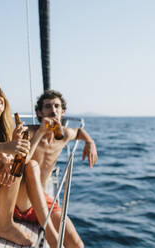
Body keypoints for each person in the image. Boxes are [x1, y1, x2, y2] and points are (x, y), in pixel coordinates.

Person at [14, 89, 98, 248]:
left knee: (77, 244)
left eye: (57, 106)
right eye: (48, 107)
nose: (53, 110)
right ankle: (51, 237)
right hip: (18, 200)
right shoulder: (29, 132)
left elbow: (78, 131)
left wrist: (90, 142)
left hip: (41, 202)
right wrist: (40, 132)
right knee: (31, 166)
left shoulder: (64, 134)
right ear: (39, 112)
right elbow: (21, 162)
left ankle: (50, 230)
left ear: (63, 111)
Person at [0, 80, 33, 246]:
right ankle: (5, 225)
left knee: (16, 165)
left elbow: (26, 159)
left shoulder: (6, 127)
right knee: (9, 163)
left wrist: (18, 143)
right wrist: (4, 156)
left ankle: (5, 224)